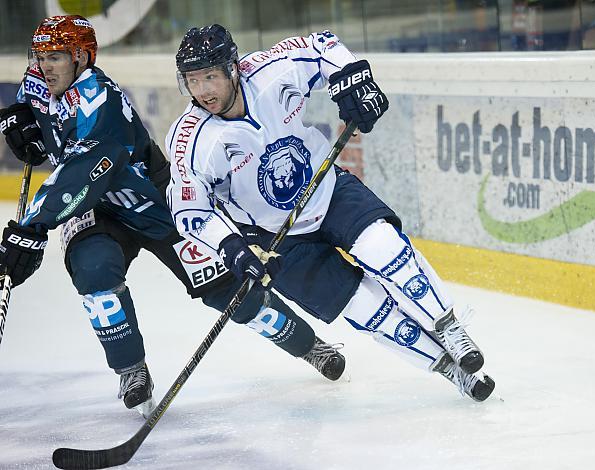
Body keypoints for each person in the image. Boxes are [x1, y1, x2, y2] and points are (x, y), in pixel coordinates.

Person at [0, 15, 346, 418]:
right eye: (40, 56)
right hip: (92, 207)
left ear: (81, 57)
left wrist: (33, 226)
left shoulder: (100, 98)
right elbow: (33, 104)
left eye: (55, 57)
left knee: (226, 290)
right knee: (93, 271)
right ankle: (131, 370)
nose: (45, 66)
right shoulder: (39, 80)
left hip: (156, 201)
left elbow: (86, 165)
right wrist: (19, 115)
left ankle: (307, 344)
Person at [167, 25, 495, 401]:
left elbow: (321, 44)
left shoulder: (270, 73)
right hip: (275, 239)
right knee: (369, 309)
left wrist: (352, 81)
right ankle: (449, 370)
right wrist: (231, 247)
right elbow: (189, 210)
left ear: (233, 68)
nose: (203, 91)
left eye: (210, 76)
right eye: (193, 80)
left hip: (327, 191)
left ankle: (448, 325)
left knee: (386, 249)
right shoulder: (190, 139)